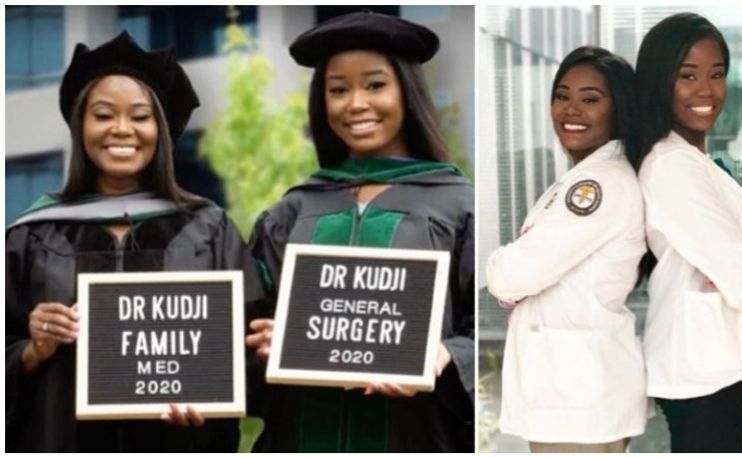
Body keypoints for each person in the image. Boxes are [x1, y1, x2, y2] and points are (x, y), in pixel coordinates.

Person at [5, 32, 263, 452]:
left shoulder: (208, 228)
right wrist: (32, 352)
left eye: (140, 117)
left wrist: (214, 393)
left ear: (159, 130)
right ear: (80, 126)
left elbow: (251, 349)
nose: (122, 129)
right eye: (103, 115)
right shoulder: (32, 233)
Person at [245, 11, 474, 452]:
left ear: (406, 91)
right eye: (338, 90)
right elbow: (247, 331)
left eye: (374, 85)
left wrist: (445, 354)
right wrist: (265, 343)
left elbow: (486, 320)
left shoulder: (458, 204)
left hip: (415, 435)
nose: (355, 104)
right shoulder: (292, 211)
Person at [635, 13, 742, 452]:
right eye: (687, 75)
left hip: (713, 364)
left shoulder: (699, 163)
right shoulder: (671, 166)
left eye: (717, 74)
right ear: (659, 81)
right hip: (698, 371)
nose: (706, 90)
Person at [485, 46, 647, 452]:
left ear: (619, 109)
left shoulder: (598, 186)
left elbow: (511, 276)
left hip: (579, 400)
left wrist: (499, 262)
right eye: (562, 96)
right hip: (574, 397)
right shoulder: (587, 176)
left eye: (590, 99)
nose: (571, 110)